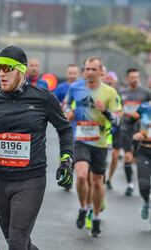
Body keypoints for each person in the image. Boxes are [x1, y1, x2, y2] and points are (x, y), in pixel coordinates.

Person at [0, 45, 74, 249]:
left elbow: (65, 129)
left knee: (16, 241)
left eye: (7, 69)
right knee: (15, 240)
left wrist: (66, 159)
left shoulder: (43, 98)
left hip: (30, 180)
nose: (1, 73)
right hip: (1, 178)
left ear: (21, 70)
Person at [65, 56, 121, 237]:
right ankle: (83, 207)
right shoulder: (75, 88)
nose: (89, 72)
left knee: (97, 181)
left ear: (100, 71)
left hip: (100, 141)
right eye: (87, 69)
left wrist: (105, 111)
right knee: (81, 176)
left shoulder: (109, 92)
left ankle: (95, 217)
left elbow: (118, 120)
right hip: (80, 139)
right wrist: (69, 113)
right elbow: (65, 103)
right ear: (84, 70)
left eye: (93, 70)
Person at [119, 69, 151, 196]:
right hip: (127, 128)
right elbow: (118, 109)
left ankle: (144, 183)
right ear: (127, 79)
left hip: (142, 130)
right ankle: (130, 185)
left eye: (137, 77)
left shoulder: (146, 93)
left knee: (137, 158)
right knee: (128, 156)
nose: (135, 79)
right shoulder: (121, 93)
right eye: (132, 77)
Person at [129, 101, 151, 230]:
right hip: (144, 151)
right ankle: (146, 201)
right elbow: (129, 122)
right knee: (144, 184)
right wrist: (135, 134)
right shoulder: (143, 107)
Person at [104, 72, 123, 190]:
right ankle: (101, 174)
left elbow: (122, 111)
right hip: (104, 129)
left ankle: (109, 179)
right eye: (108, 80)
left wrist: (115, 120)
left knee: (115, 156)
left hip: (116, 128)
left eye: (112, 80)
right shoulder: (102, 92)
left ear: (115, 82)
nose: (110, 82)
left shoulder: (120, 94)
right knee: (103, 154)